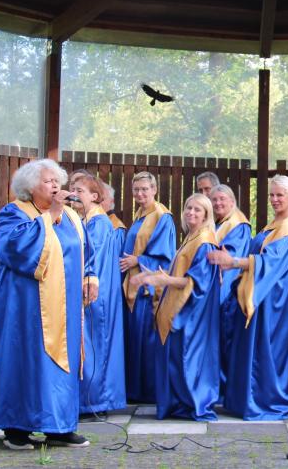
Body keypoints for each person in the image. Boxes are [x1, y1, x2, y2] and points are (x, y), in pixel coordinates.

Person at [0, 159, 97, 449]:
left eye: (57, 181)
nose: (55, 186)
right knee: (24, 358)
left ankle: (59, 427)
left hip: (65, 306)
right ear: (30, 187)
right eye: (48, 181)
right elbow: (15, 248)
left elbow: (84, 249)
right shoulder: (14, 213)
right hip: (22, 304)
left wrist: (90, 276)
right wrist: (51, 214)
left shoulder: (71, 216)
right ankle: (16, 428)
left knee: (62, 360)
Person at [209, 175, 288, 420]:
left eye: (280, 195)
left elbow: (270, 262)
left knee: (268, 352)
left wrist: (233, 262)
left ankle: (267, 401)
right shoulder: (273, 225)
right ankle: (245, 401)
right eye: (272, 194)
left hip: (272, 301)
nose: (274, 199)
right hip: (259, 295)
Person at [133, 194, 220, 420]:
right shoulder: (191, 237)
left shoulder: (205, 241)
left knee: (186, 358)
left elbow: (197, 282)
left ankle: (193, 404)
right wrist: (152, 276)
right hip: (180, 307)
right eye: (188, 208)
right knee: (174, 358)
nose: (191, 212)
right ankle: (178, 404)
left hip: (192, 312)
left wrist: (164, 281)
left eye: (197, 209)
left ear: (206, 215)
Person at [68, 174, 127, 419]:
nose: (74, 195)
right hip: (93, 291)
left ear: (94, 196)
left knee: (94, 344)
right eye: (72, 190)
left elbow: (92, 256)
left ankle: (93, 401)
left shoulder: (99, 223)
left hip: (95, 294)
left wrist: (86, 279)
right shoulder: (85, 219)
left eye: (79, 191)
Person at [120, 171, 176, 403]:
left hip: (147, 289)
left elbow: (165, 256)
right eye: (136, 190)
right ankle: (134, 390)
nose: (140, 193)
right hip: (133, 284)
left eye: (144, 189)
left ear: (154, 190)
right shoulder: (141, 215)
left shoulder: (162, 216)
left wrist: (138, 260)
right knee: (135, 339)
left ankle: (149, 392)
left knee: (146, 339)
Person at [210, 184, 252, 401]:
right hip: (217, 289)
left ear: (233, 201)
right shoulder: (220, 222)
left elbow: (228, 261)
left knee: (225, 340)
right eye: (214, 200)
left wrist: (218, 295)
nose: (218, 203)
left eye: (222, 199)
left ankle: (225, 390)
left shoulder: (238, 225)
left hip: (225, 291)